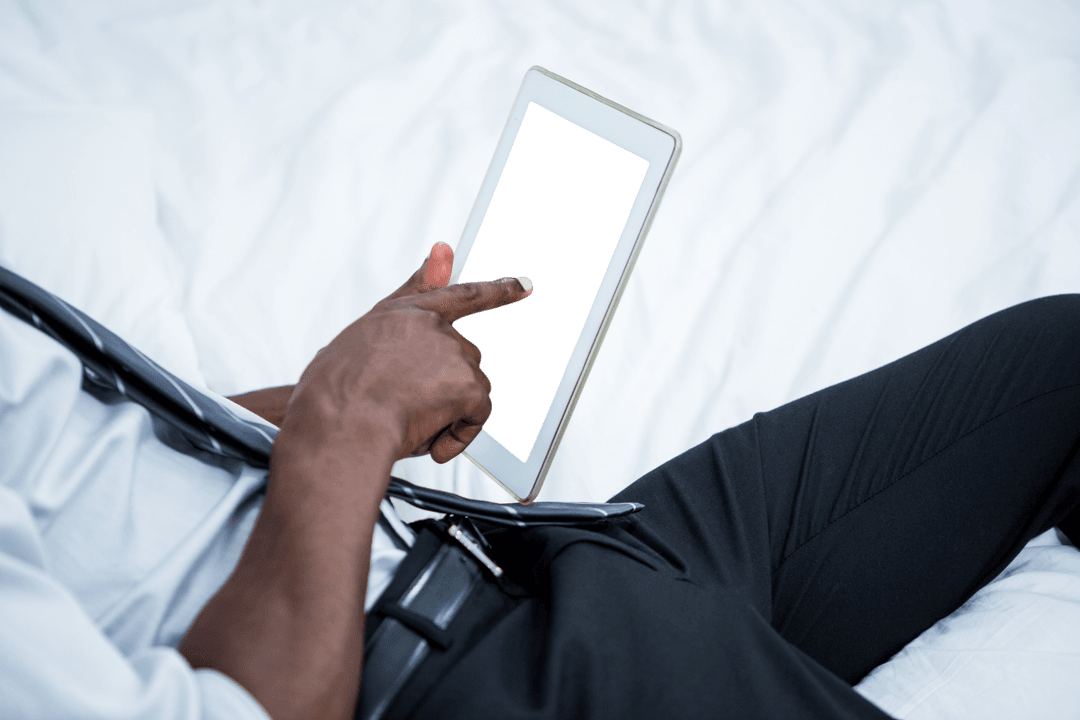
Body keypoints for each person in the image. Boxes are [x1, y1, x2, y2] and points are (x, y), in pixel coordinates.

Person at [1, 242, 1078, 720]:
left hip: (541, 557)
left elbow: (97, 475)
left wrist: (342, 380)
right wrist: (351, 419)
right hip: (447, 685)